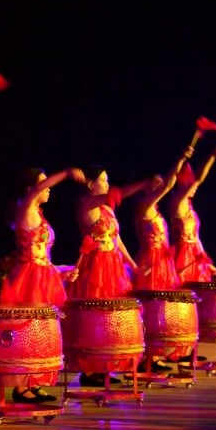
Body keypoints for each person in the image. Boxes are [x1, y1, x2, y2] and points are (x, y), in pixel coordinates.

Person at [0, 166, 85, 403]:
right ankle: (21, 386)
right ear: (31, 189)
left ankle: (34, 380)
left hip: (44, 276)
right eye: (43, 184)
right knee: (29, 330)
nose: (48, 189)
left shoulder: (38, 213)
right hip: (30, 278)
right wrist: (66, 174)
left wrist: (61, 272)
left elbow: (43, 257)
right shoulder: (25, 208)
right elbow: (39, 189)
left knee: (41, 332)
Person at [67, 165, 154, 386]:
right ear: (90, 184)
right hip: (96, 267)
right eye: (103, 180)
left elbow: (117, 240)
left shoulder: (106, 209)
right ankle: (90, 370)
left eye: (107, 180)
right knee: (97, 316)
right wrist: (143, 184)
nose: (107, 184)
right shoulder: (86, 204)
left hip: (113, 266)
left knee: (113, 318)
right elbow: (118, 194)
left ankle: (105, 367)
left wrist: (133, 266)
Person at [132, 146, 194, 291]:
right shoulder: (143, 206)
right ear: (145, 186)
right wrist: (181, 159)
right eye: (156, 182)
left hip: (164, 261)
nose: (160, 184)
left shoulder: (155, 209)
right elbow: (168, 184)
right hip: (151, 261)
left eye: (161, 181)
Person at [168, 144, 216, 285]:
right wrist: (213, 157)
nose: (194, 187)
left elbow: (196, 237)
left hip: (195, 255)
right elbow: (198, 180)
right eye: (189, 184)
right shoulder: (177, 203)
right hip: (183, 256)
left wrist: (204, 259)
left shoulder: (189, 206)